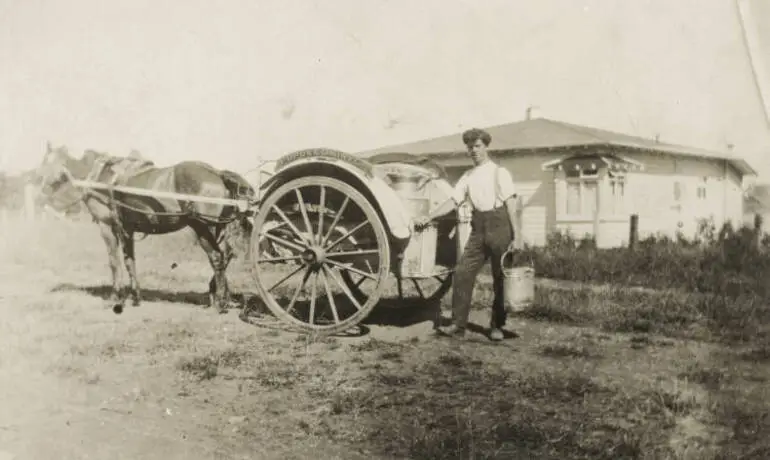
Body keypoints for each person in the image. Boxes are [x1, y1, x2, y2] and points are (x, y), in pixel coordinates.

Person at [413, 128, 518, 341]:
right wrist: (430, 216)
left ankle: (497, 326)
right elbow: (453, 201)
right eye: (470, 147)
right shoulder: (468, 176)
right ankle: (457, 325)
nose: (474, 151)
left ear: (486, 147)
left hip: (501, 226)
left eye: (477, 146)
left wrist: (517, 234)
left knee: (501, 278)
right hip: (478, 228)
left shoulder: (500, 172)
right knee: (462, 272)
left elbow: (511, 204)